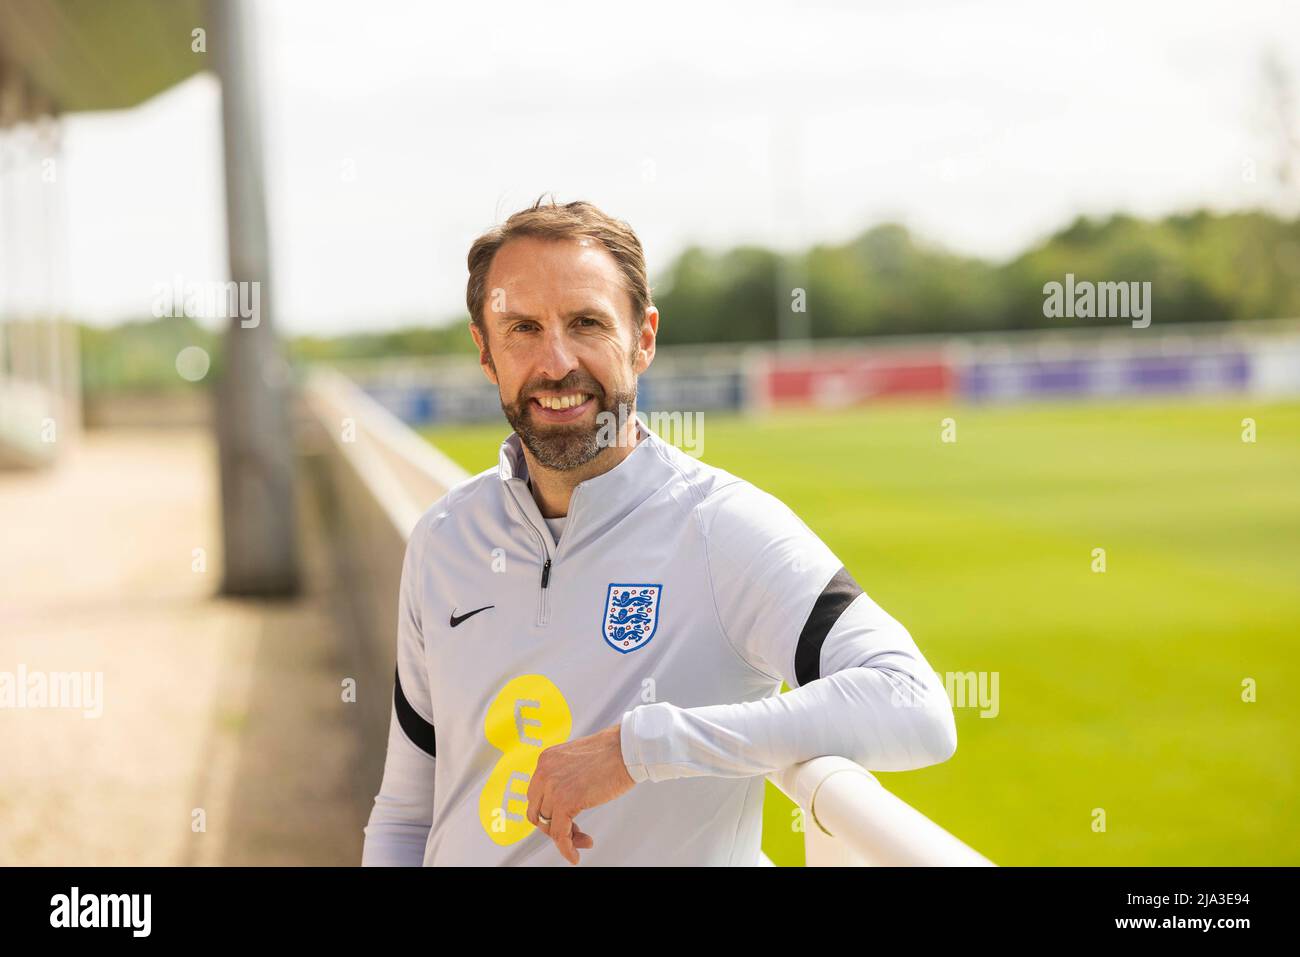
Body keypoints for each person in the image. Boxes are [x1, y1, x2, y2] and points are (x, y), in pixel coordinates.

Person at [361, 196, 956, 866]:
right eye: (523, 328)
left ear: (643, 338)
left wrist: (641, 749)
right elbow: (406, 813)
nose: (556, 363)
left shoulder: (721, 528)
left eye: (586, 323)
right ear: (485, 349)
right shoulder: (443, 537)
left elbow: (914, 705)